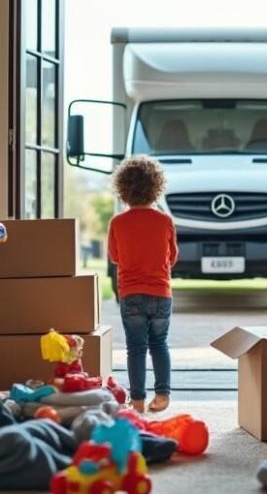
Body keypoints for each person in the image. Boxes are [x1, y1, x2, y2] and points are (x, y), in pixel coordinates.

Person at [107, 156, 178, 413]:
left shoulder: (117, 223)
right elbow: (172, 257)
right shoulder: (165, 221)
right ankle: (162, 395)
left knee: (135, 347)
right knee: (159, 344)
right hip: (160, 292)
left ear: (123, 189)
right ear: (156, 187)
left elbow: (114, 257)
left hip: (131, 293)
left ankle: (137, 400)